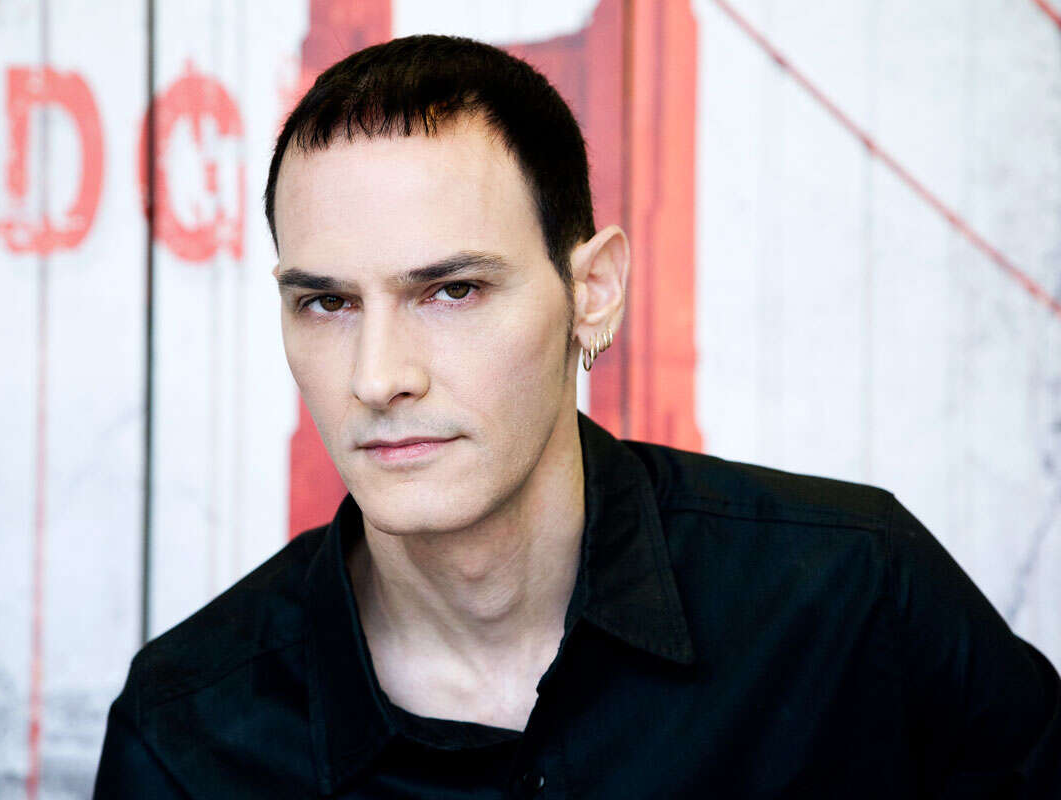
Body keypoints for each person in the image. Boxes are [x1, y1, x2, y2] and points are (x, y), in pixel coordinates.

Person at [94, 35, 1060, 798]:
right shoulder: (187, 731)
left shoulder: (853, 601)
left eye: (452, 291)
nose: (378, 378)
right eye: (327, 303)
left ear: (593, 292)